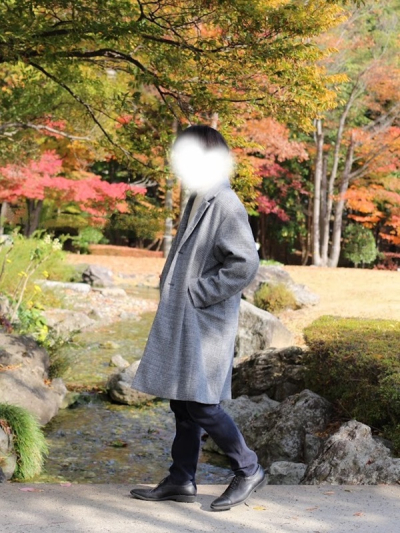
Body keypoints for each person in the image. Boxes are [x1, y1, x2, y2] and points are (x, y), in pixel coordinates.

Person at [130, 125, 265, 511]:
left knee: (202, 403)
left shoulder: (224, 203)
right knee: (182, 400)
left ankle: (248, 468)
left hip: (205, 323)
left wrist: (199, 293)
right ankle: (181, 478)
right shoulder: (199, 196)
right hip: (187, 318)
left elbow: (245, 262)